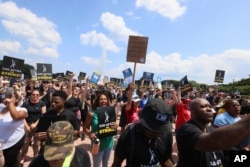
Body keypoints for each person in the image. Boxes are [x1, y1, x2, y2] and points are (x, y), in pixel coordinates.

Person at [176, 98, 250, 167]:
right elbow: (211, 142)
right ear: (192, 111)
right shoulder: (186, 129)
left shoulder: (211, 130)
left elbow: (228, 155)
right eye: (203, 106)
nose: (209, 109)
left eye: (210, 106)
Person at [112, 98, 174, 167]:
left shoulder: (166, 134)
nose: (155, 133)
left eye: (159, 130)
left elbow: (166, 158)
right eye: (151, 128)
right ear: (143, 121)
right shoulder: (129, 134)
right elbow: (116, 163)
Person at [84, 92, 118, 167]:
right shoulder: (92, 114)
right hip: (98, 144)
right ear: (98, 101)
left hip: (109, 143)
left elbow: (113, 124)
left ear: (108, 100)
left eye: (105, 99)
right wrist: (90, 134)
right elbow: (86, 128)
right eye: (101, 99)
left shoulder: (111, 112)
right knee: (96, 165)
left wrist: (116, 125)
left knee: (105, 164)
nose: (103, 101)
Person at [0, 88, 28, 167]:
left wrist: (10, 103)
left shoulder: (22, 109)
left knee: (10, 162)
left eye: (11, 97)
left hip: (13, 142)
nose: (8, 98)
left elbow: (15, 117)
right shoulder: (0, 107)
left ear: (16, 100)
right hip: (0, 143)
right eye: (7, 96)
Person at [19, 89, 46, 165]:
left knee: (36, 142)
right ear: (31, 95)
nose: (35, 96)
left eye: (37, 95)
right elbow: (22, 116)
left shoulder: (42, 103)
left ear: (39, 96)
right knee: (25, 142)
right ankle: (23, 156)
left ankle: (35, 156)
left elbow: (43, 115)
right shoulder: (26, 104)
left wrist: (35, 124)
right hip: (27, 125)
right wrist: (26, 125)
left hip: (38, 125)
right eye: (33, 94)